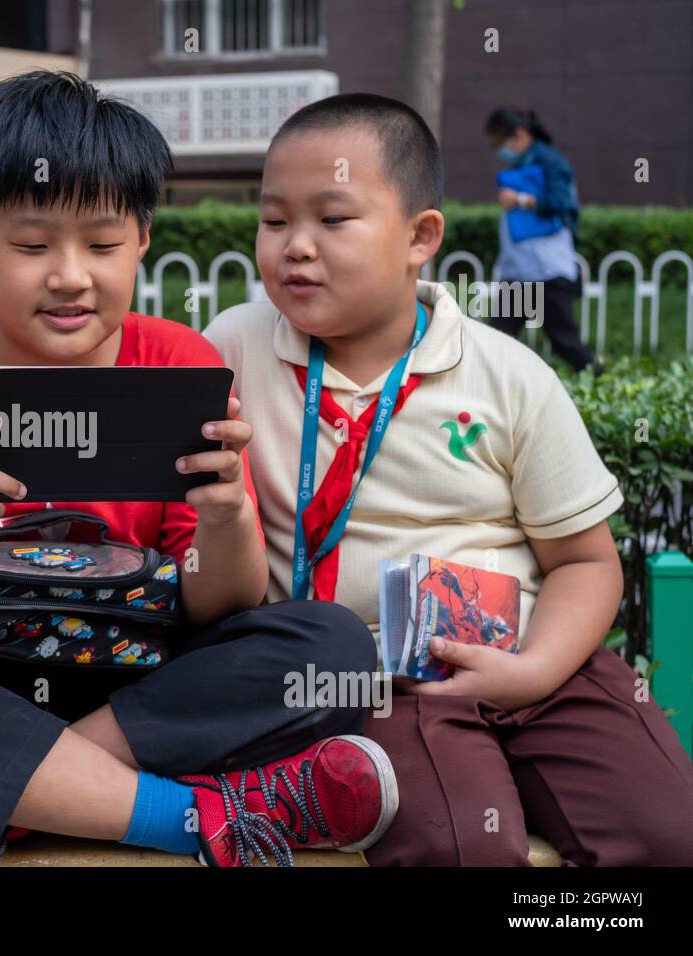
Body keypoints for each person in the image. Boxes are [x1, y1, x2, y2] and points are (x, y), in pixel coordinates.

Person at [0, 71, 397, 868]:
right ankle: (197, 815)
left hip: (137, 688)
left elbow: (221, 604)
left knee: (332, 647)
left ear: (142, 239)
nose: (71, 275)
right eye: (33, 246)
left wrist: (226, 517)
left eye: (103, 244)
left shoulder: (179, 362)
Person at [205, 92, 693, 866]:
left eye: (332, 220)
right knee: (460, 848)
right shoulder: (232, 348)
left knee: (667, 837)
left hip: (544, 659)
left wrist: (531, 673)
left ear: (420, 236)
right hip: (385, 681)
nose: (295, 246)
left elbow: (586, 561)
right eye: (273, 221)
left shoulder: (508, 375)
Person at [485, 106, 600, 373]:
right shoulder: (526, 163)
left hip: (546, 271)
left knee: (564, 341)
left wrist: (520, 200)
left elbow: (563, 204)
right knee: (498, 340)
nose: (499, 149)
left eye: (501, 142)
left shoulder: (550, 162)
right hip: (521, 271)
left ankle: (600, 377)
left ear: (520, 135)